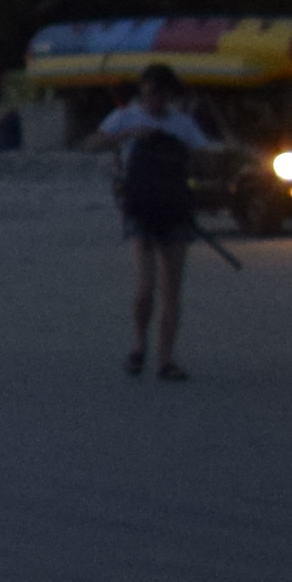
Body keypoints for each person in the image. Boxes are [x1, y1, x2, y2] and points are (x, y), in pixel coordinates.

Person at [98, 63, 225, 377]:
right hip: (141, 208)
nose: (156, 99)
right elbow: (92, 143)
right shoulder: (126, 117)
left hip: (174, 209)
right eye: (151, 92)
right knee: (146, 286)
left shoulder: (181, 123)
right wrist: (128, 134)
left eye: (161, 93)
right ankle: (140, 347)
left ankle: (164, 360)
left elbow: (206, 159)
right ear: (143, 91)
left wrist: (187, 151)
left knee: (171, 290)